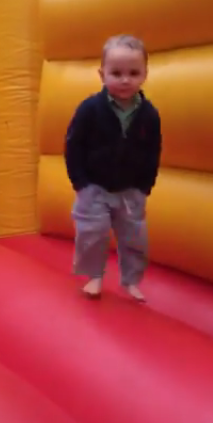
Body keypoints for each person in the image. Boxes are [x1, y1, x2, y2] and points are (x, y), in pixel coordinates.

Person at [64, 35, 162, 302]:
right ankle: (94, 276)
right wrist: (80, 183)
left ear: (145, 74)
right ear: (102, 74)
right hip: (94, 186)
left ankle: (131, 281)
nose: (125, 80)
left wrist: (145, 186)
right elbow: (73, 145)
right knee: (92, 234)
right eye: (116, 73)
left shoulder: (149, 115)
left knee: (135, 240)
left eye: (133, 73)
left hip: (131, 189)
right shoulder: (90, 109)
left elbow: (153, 151)